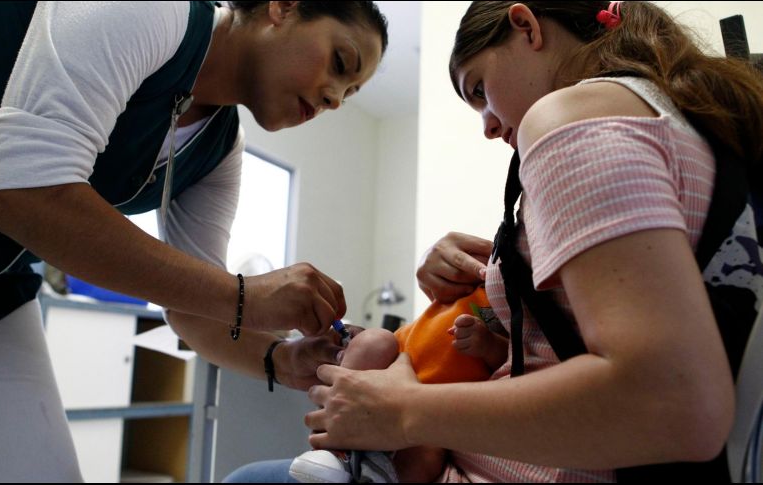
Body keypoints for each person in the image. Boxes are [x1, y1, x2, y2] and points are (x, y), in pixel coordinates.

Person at [303, 1, 763, 483]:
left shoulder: (570, 117)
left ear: (526, 26)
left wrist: (401, 410)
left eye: (479, 89)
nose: (488, 126)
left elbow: (671, 401)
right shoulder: (676, 118)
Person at [0, 1, 387, 481]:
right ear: (281, 8)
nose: (333, 100)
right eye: (340, 64)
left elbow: (193, 312)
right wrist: (246, 295)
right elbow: (17, 185)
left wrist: (282, 359)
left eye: (348, 94)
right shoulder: (149, 12)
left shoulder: (218, 152)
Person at [223, 287, 511, 483]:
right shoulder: (482, 271)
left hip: (430, 413)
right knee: (376, 341)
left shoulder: (522, 309)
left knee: (427, 460)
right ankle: (333, 453)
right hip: (395, 364)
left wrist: (489, 344)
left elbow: (516, 365)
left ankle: (374, 474)